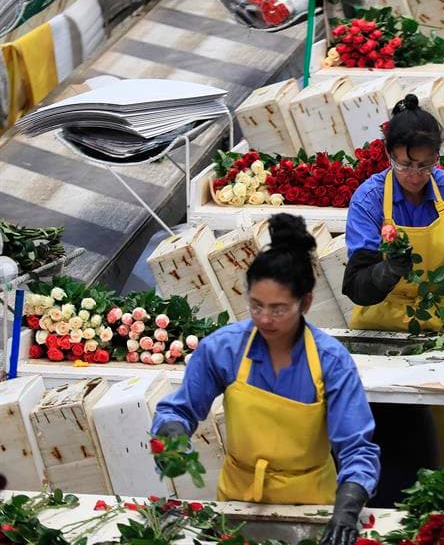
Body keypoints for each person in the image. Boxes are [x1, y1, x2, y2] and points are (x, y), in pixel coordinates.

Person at [152, 214, 379, 545]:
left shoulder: (330, 361)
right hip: (239, 504)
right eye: (256, 306)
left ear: (306, 302)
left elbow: (357, 447)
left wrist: (347, 507)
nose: (265, 319)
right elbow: (180, 409)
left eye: (278, 309)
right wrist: (171, 433)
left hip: (313, 508)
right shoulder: (225, 349)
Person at [342, 94, 444, 506]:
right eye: (406, 165)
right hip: (380, 332)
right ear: (389, 154)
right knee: (389, 441)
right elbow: (356, 284)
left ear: (437, 158)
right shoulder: (369, 199)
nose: (415, 174)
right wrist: (386, 269)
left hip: (443, 333)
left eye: (425, 165)